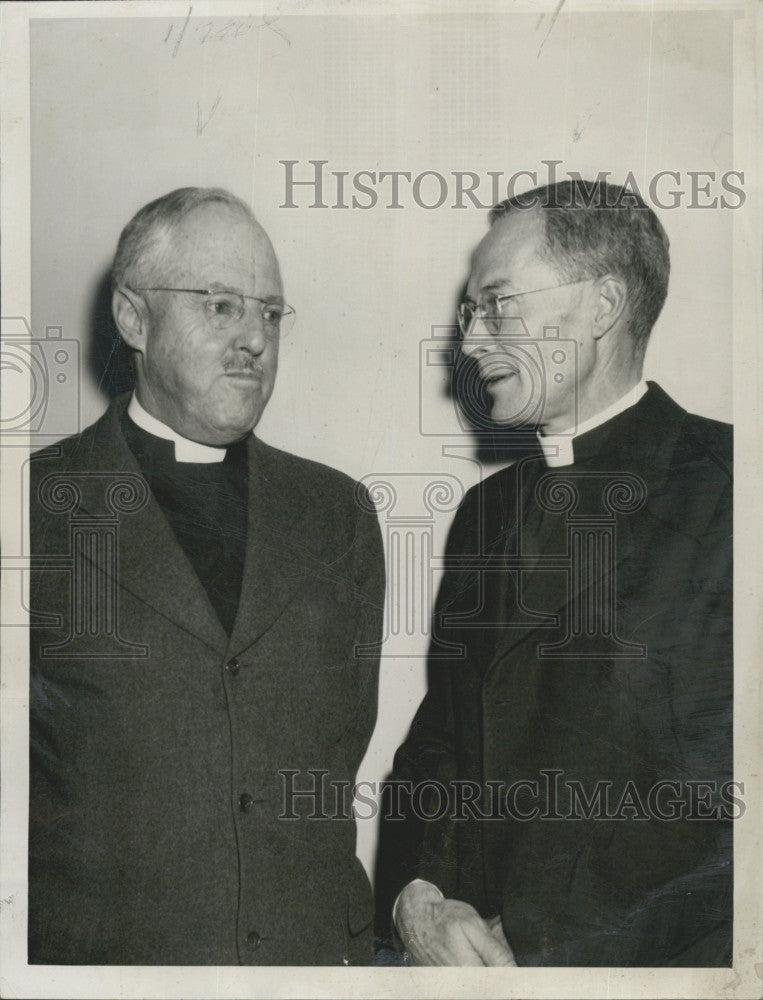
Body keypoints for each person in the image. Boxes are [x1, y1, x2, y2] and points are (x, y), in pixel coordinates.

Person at [28, 187, 384, 965]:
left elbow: (341, 744)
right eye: (221, 306)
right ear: (132, 317)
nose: (253, 338)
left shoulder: (338, 512)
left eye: (269, 311)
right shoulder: (30, 509)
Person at [383, 179, 732, 966]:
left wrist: (550, 943)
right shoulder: (483, 513)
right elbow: (440, 742)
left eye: (496, 305)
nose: (468, 344)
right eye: (470, 313)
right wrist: (417, 896)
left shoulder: (731, 490)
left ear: (602, 305)